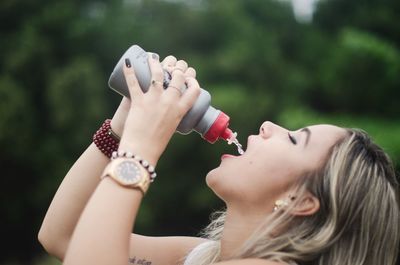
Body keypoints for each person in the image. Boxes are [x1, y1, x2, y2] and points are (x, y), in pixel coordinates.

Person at [38, 54, 399, 265]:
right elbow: (64, 237)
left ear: (302, 200)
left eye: (293, 138)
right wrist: (122, 125)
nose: (268, 125)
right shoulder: (203, 256)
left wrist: (140, 148)